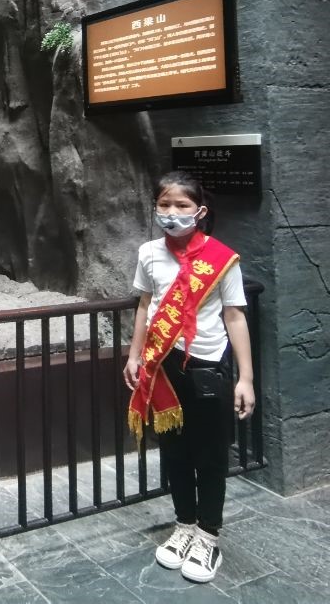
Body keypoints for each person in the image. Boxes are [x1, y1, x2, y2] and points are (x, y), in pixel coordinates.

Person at [123, 170, 255, 584]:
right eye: (164, 204)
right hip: (163, 367)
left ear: (199, 211)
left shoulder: (222, 259)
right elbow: (145, 306)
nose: (172, 212)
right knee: (175, 452)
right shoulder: (148, 253)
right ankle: (183, 526)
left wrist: (246, 378)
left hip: (207, 369)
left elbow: (235, 317)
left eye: (182, 205)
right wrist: (134, 355)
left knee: (210, 456)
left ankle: (208, 536)